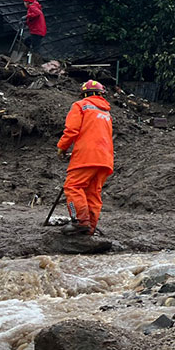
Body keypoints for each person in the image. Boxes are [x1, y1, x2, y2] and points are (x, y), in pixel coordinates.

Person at [56, 80, 114, 236]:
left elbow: (71, 131)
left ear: (83, 94)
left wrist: (62, 148)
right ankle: (90, 229)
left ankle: (80, 223)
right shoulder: (106, 112)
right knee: (93, 192)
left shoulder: (80, 105)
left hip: (86, 156)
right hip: (105, 158)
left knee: (73, 186)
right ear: (101, 94)